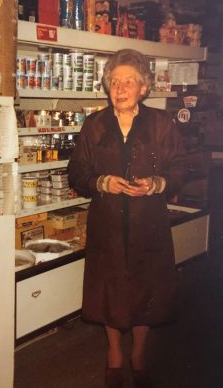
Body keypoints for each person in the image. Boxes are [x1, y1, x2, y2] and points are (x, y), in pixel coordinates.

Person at [67, 49, 186, 388]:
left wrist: (158, 184)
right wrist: (101, 181)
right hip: (107, 224)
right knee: (109, 288)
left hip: (149, 224)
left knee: (146, 288)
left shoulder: (162, 124)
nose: (120, 89)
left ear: (143, 88)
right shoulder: (95, 125)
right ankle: (115, 352)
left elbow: (181, 166)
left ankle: (138, 353)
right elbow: (77, 172)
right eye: (114, 82)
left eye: (128, 82)